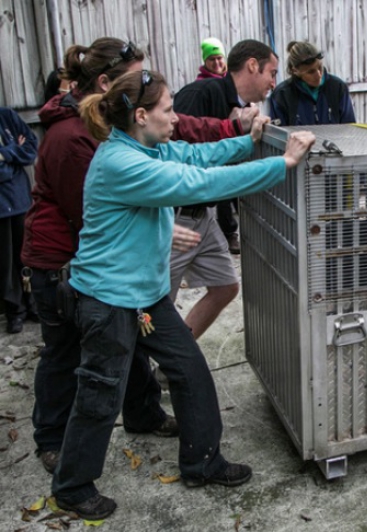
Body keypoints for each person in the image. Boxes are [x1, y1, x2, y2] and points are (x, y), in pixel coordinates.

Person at [50, 68, 314, 520]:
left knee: (189, 370)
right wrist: (281, 165)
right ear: (139, 115)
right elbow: (199, 184)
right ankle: (72, 486)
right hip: (109, 299)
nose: (176, 118)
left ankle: (200, 461)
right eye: (168, 110)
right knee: (99, 393)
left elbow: (195, 157)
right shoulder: (121, 163)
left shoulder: (145, 146)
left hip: (144, 296)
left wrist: (246, 140)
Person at [21, 37, 248, 475]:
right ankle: (59, 451)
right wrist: (162, 226)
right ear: (112, 87)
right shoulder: (76, 140)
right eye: (135, 78)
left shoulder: (120, 133)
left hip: (130, 284)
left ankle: (155, 426)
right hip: (69, 268)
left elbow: (184, 146)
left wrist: (234, 133)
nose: (172, 115)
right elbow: (94, 213)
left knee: (154, 364)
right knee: (76, 367)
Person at [171, 39, 278, 339]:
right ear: (252, 66)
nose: (273, 82)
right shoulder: (199, 94)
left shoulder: (243, 110)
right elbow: (175, 153)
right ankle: (147, 373)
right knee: (154, 308)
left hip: (203, 215)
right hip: (175, 218)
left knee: (226, 286)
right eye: (272, 72)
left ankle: (177, 358)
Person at [0, 107, 38, 334]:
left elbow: (31, 149)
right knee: (5, 263)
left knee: (28, 256)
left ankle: (34, 305)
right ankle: (15, 311)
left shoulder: (7, 116)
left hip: (20, 199)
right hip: (1, 208)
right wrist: (15, 150)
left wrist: (5, 154)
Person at [269, 40, 356, 125]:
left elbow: (350, 129)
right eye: (311, 72)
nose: (318, 75)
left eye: (320, 67)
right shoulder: (281, 95)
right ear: (295, 71)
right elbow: (278, 136)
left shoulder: (338, 88)